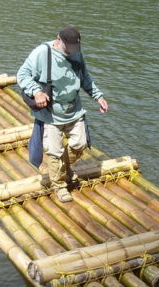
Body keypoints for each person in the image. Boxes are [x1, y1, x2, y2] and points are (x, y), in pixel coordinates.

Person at [17, 26, 108, 203]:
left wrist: (98, 96)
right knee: (55, 152)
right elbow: (23, 75)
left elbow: (85, 77)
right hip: (51, 114)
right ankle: (59, 186)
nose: (72, 53)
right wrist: (37, 92)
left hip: (74, 110)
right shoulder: (42, 53)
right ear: (58, 41)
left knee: (80, 144)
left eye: (75, 49)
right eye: (69, 49)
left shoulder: (77, 54)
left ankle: (63, 169)